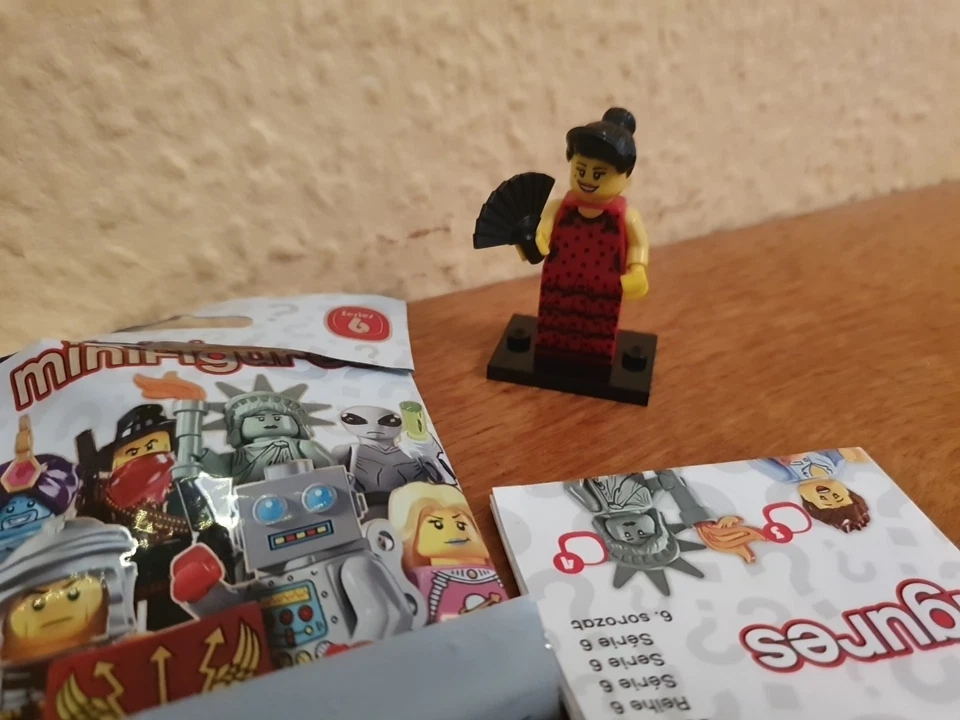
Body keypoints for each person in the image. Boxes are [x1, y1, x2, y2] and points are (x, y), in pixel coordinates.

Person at [531, 107, 651, 373]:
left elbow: (638, 244)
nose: (587, 179)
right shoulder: (559, 208)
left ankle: (594, 359)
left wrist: (638, 269)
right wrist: (535, 240)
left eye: (599, 174)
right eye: (580, 169)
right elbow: (543, 232)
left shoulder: (626, 216)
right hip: (559, 282)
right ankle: (554, 352)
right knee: (554, 323)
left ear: (626, 178)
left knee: (599, 330)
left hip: (604, 287)